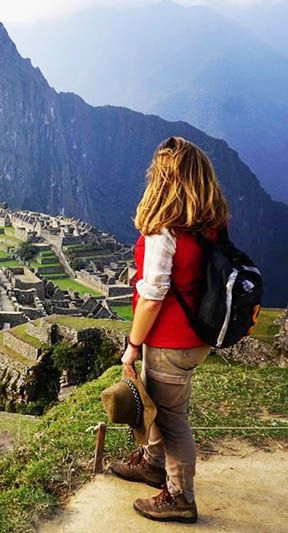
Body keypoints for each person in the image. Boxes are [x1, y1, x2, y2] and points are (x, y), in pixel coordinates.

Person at [109, 136, 229, 524]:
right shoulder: (209, 223)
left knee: (172, 420)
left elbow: (153, 296)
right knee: (163, 408)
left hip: (171, 339)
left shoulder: (165, 230)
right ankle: (152, 463)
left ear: (164, 179)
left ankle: (179, 497)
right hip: (197, 337)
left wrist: (132, 344)